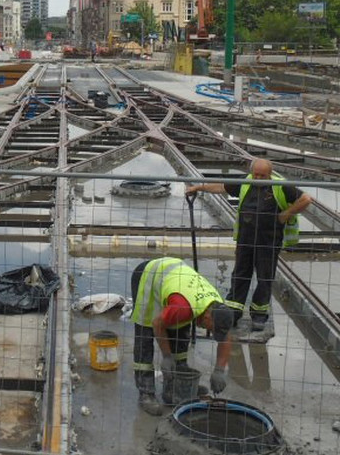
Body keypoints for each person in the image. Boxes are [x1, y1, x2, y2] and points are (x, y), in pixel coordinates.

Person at [186, 158, 312, 334]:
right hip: (246, 240)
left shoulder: (281, 186)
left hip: (268, 241)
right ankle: (234, 312)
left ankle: (259, 316)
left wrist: (286, 214)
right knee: (240, 274)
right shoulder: (246, 182)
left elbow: (306, 199)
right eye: (256, 174)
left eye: (263, 175)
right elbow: (223, 187)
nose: (258, 178)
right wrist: (199, 187)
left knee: (265, 277)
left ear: (270, 174)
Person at [130, 256, 236, 416]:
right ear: (208, 317)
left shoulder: (217, 306)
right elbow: (158, 324)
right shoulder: (183, 307)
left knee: (180, 329)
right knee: (145, 335)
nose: (212, 333)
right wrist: (166, 355)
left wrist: (220, 370)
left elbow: (226, 336)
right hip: (148, 277)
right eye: (212, 329)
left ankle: (178, 384)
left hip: (175, 283)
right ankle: (146, 393)